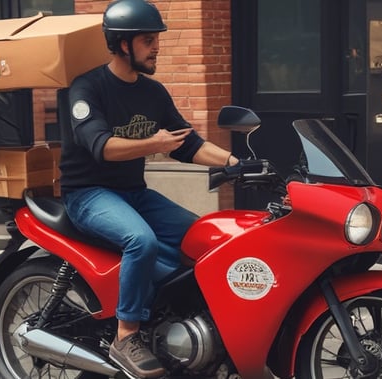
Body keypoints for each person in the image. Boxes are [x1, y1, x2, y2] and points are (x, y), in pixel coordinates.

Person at [59, 0, 237, 377]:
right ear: (123, 44)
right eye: (148, 40)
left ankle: (183, 319)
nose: (157, 47)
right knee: (141, 241)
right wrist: (153, 144)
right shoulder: (87, 88)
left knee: (204, 237)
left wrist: (236, 162)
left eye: (156, 39)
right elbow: (102, 147)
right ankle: (126, 335)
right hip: (88, 194)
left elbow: (187, 143)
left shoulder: (153, 93)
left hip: (134, 193)